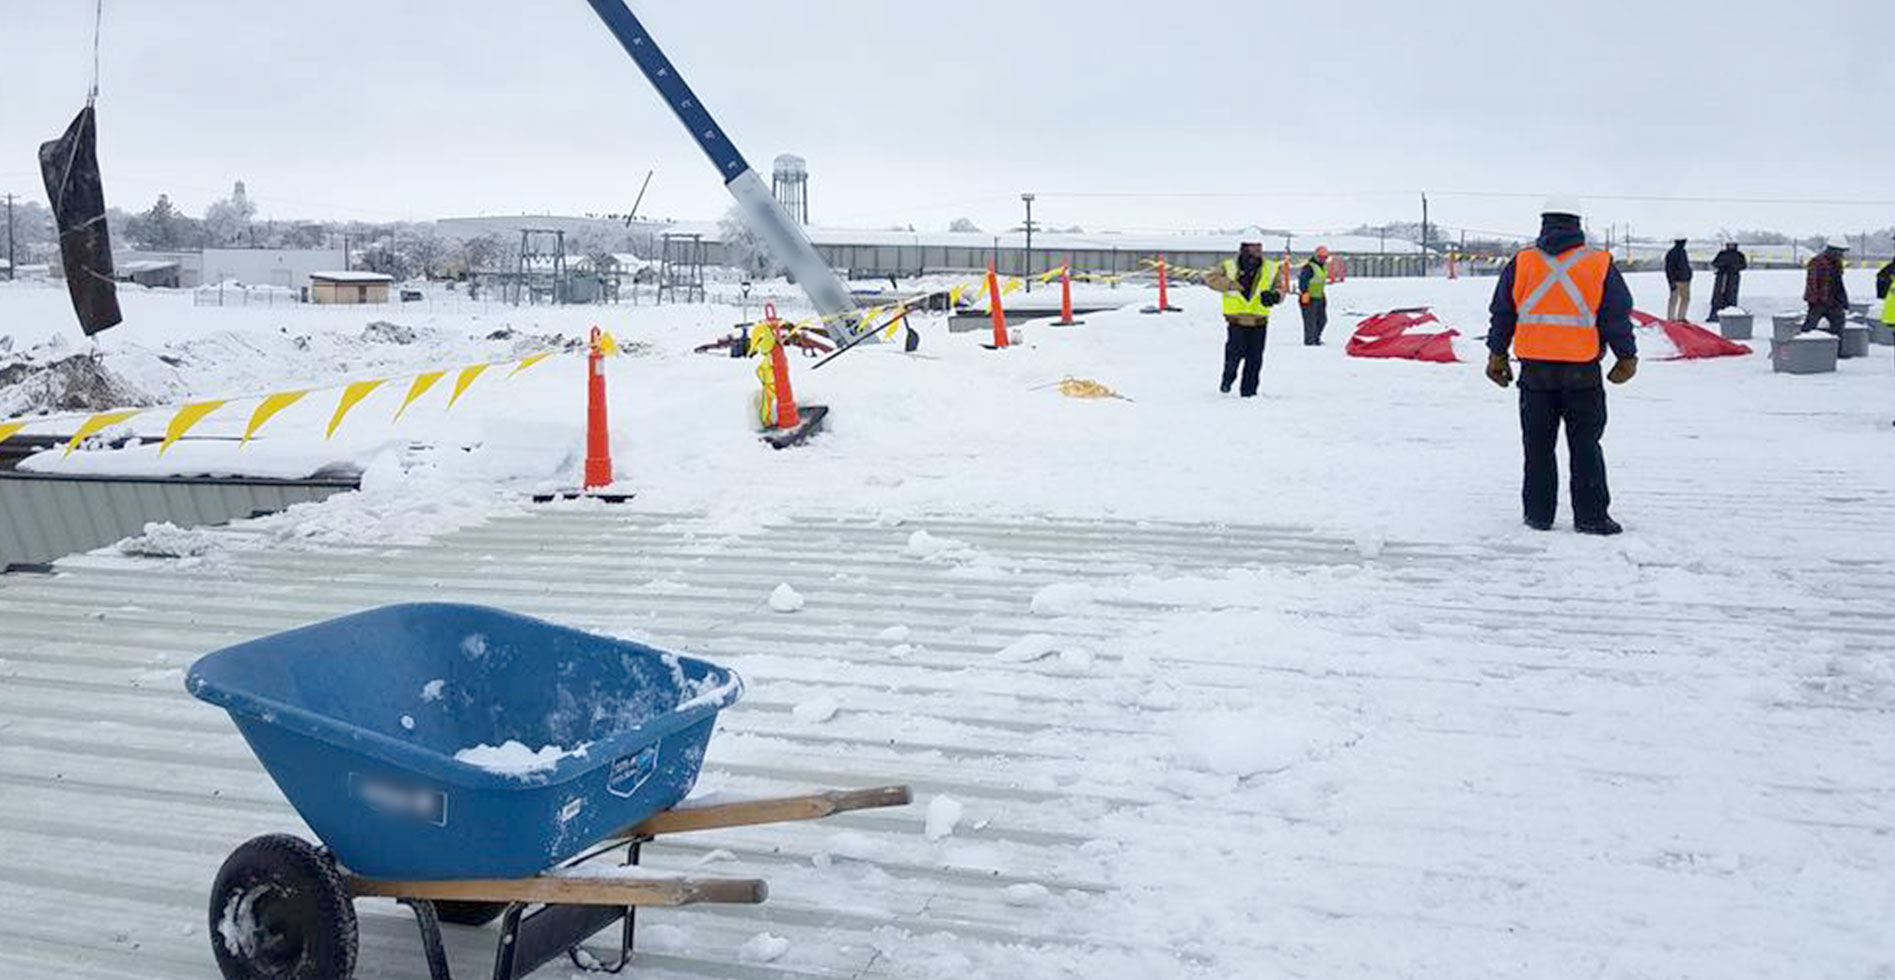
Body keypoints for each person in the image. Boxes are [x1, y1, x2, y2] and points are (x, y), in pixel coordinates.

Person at [1486, 198, 1638, 536]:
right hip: (1581, 371)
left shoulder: (1522, 262)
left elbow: (1502, 312)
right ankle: (1592, 517)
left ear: (1544, 224)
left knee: (1537, 446)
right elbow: (1616, 315)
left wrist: (1497, 353)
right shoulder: (1599, 263)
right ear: (1577, 224)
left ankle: (1538, 516)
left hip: (1534, 371)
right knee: (1586, 445)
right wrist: (1626, 356)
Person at [1203, 242, 1282, 397]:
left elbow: (1280, 287)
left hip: (1259, 321)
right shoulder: (1229, 265)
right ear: (1244, 248)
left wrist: (1276, 296)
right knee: (1234, 355)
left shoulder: (1271, 267)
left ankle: (1249, 392)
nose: (1258, 249)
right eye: (1254, 246)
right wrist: (1230, 284)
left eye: (1259, 246)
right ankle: (1228, 379)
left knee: (1255, 359)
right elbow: (1210, 279)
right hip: (1236, 321)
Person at [1803, 239, 1851, 336]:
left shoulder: (1837, 263)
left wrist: (1843, 301)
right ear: (1832, 250)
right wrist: (1815, 301)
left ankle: (1834, 348)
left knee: (1839, 325)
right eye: (1840, 252)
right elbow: (1812, 283)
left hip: (1834, 302)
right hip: (1819, 302)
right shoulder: (1817, 262)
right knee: (1809, 327)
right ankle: (1803, 346)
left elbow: (1839, 283)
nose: (1842, 255)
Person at [1298, 246, 1331, 346]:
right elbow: (1303, 281)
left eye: (1325, 257)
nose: (1323, 259)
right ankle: (1310, 341)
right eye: (1321, 257)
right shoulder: (1309, 267)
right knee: (1310, 322)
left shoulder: (1322, 267)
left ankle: (1316, 338)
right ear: (1316, 256)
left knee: (1322, 320)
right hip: (1309, 298)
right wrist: (1305, 292)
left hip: (1320, 296)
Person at [1708, 242, 1747, 323]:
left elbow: (1743, 265)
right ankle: (1715, 315)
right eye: (1729, 245)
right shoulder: (1722, 254)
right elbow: (1714, 263)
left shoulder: (1739, 255)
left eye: (1732, 245)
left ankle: (1730, 315)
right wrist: (1723, 266)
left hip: (1733, 278)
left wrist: (1733, 268)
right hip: (1722, 277)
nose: (1731, 246)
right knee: (1718, 297)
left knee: (1731, 296)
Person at [1664, 238, 1693, 321]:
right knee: (1673, 300)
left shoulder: (1684, 252)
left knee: (1686, 299)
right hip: (1676, 281)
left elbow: (1686, 265)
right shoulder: (1671, 253)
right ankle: (1671, 318)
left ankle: (1681, 317)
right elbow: (1668, 269)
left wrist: (1689, 274)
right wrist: (1671, 282)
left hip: (1686, 280)